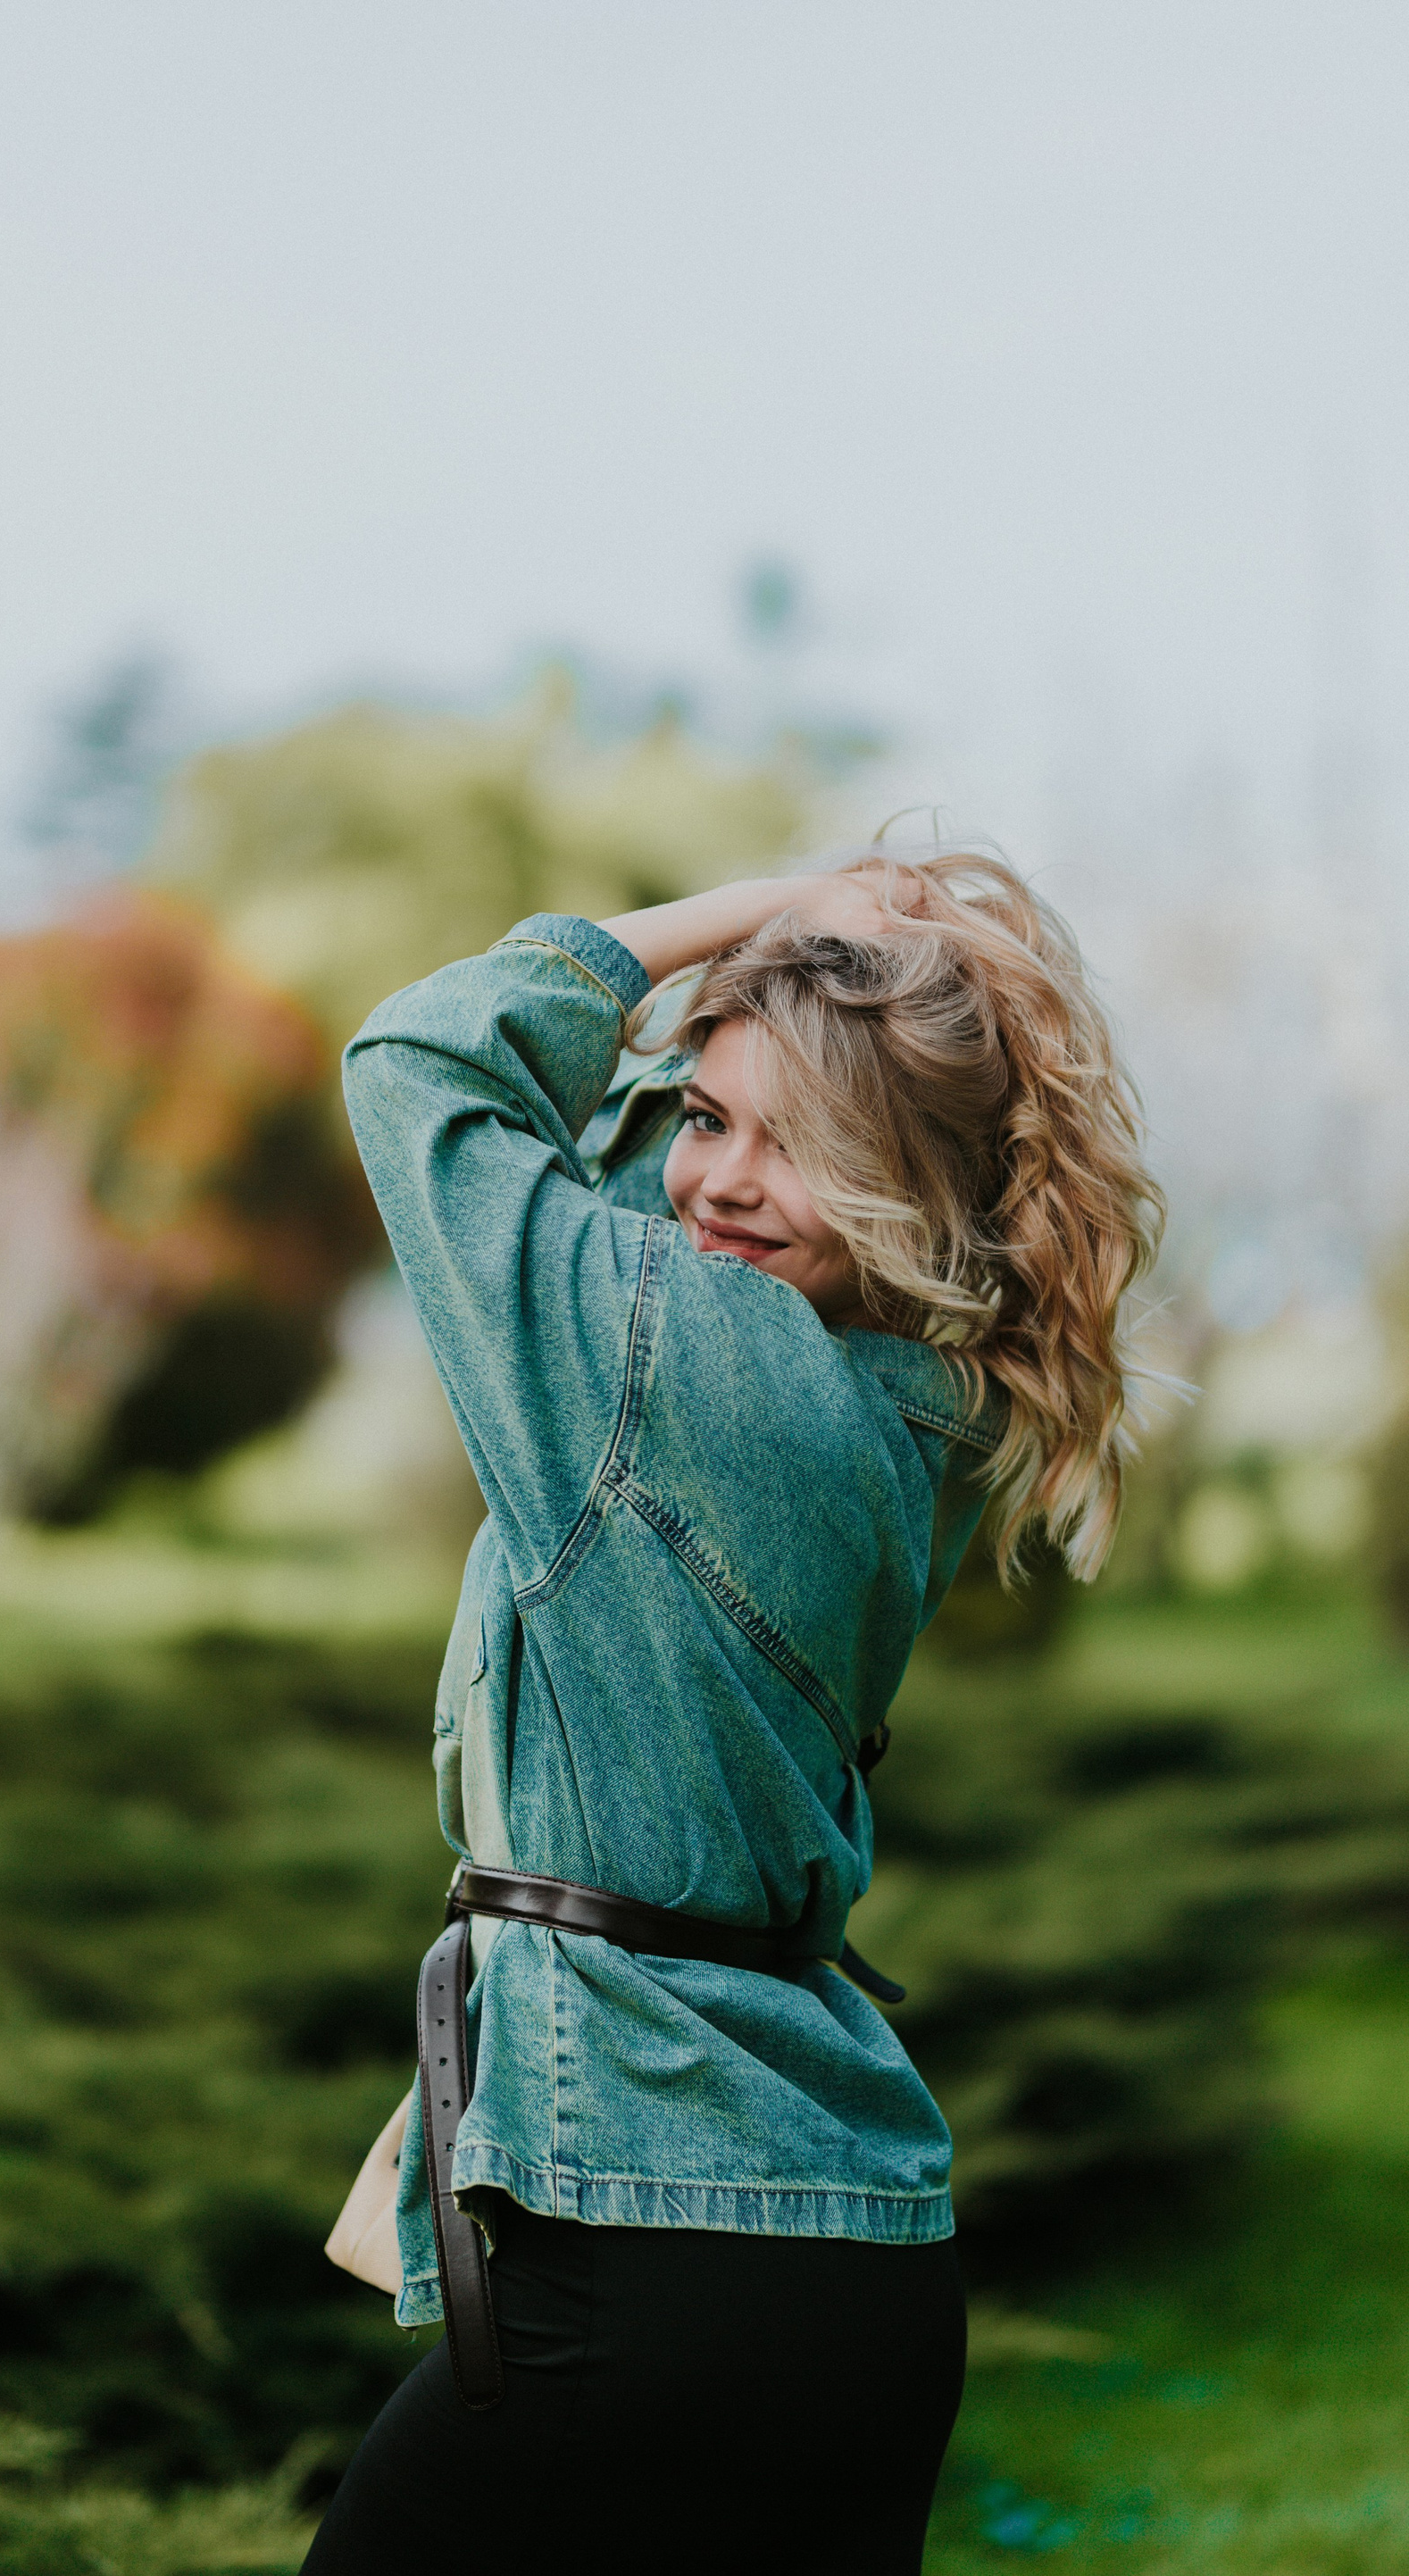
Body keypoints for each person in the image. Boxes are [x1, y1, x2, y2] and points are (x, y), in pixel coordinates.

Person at [304, 850, 1162, 2575]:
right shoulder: (910, 1387)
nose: (716, 1180)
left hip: (649, 2246)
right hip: (838, 2262)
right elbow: (684, 1188)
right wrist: (797, 1016)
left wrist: (769, 904)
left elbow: (425, 1064)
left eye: (811, 1145)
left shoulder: (688, 1371)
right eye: (708, 1116)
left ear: (909, 1188)